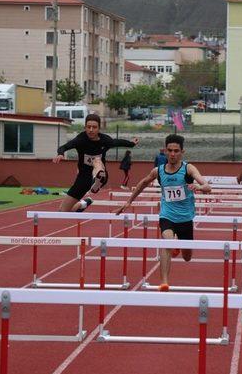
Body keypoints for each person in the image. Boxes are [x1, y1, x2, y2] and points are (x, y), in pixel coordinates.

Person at [115, 134, 211, 291]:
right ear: (165, 151)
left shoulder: (188, 168)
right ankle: (164, 282)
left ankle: (178, 245)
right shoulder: (158, 171)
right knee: (165, 242)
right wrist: (129, 201)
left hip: (185, 217)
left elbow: (207, 186)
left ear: (182, 152)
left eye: (176, 151)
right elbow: (143, 183)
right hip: (167, 215)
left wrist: (200, 187)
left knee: (187, 257)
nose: (173, 154)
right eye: (170, 150)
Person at [53, 113, 139, 212]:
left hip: (101, 174)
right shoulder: (80, 139)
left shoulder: (105, 140)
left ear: (99, 128)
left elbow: (117, 142)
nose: (91, 130)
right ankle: (83, 204)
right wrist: (60, 153)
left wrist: (132, 144)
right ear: (85, 127)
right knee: (63, 211)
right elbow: (64, 147)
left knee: (97, 160)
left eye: (94, 127)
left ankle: (97, 179)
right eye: (88, 127)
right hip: (83, 179)